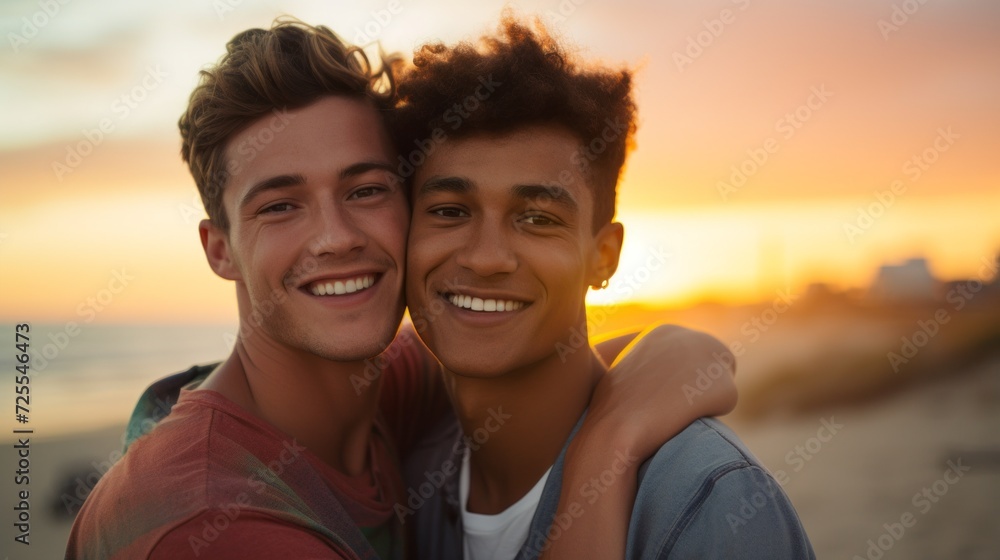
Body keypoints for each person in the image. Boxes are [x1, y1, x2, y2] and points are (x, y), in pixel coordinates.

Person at [65, 19, 737, 560]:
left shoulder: (385, 387)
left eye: (366, 190)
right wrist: (605, 453)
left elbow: (534, 351)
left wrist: (664, 357)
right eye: (280, 206)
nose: (336, 237)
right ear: (220, 250)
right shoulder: (214, 523)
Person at [391, 17, 816, 559]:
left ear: (603, 257)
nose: (486, 257)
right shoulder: (414, 483)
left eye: (538, 218)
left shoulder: (711, 503)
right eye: (449, 211)